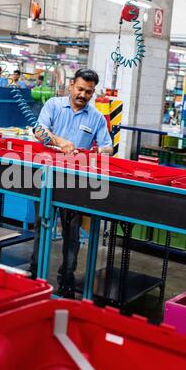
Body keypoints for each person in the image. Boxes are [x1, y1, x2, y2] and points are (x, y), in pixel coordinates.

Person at [31, 68, 113, 298]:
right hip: (46, 176)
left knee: (72, 233)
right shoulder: (54, 106)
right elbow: (39, 131)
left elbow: (108, 146)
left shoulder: (96, 117)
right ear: (71, 85)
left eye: (89, 91)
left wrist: (102, 151)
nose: (83, 95)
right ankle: (34, 273)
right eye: (80, 89)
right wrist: (59, 141)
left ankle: (66, 280)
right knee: (41, 226)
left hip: (75, 182)